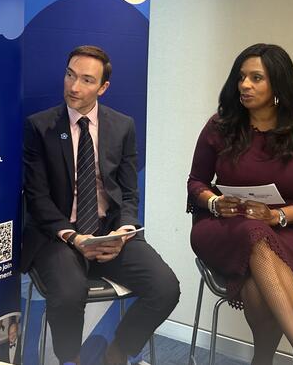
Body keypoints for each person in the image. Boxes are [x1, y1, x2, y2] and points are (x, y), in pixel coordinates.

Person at [21, 45, 180, 365]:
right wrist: (75, 238)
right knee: (68, 294)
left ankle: (118, 352)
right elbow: (37, 198)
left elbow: (129, 192)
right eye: (69, 75)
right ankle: (71, 359)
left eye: (86, 80)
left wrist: (123, 230)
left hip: (109, 232)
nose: (74, 87)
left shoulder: (122, 127)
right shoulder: (40, 127)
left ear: (103, 87)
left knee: (166, 288)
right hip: (59, 237)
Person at [187, 44, 293, 365]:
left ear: (277, 84)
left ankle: (262, 359)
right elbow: (196, 182)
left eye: (256, 78)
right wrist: (213, 202)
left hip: (288, 232)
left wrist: (276, 216)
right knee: (253, 231)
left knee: (256, 285)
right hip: (223, 228)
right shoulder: (219, 127)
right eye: (241, 78)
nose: (245, 85)